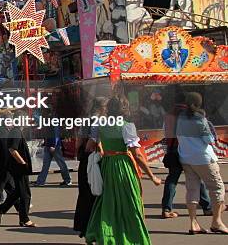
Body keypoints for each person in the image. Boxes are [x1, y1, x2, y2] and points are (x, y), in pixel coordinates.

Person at [85, 96, 161, 245]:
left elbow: (90, 145)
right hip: (123, 166)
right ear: (124, 109)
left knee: (107, 200)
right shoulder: (127, 126)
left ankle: (104, 232)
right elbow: (137, 155)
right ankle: (131, 235)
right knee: (130, 201)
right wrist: (152, 176)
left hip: (107, 165)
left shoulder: (100, 124)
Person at [176, 92, 227, 235]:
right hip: (204, 159)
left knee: (192, 190)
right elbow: (208, 140)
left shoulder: (180, 118)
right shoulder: (200, 119)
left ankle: (193, 223)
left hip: (186, 158)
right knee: (217, 188)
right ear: (199, 104)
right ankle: (216, 222)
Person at [161, 92, 212, 219]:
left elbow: (165, 131)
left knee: (172, 180)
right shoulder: (189, 114)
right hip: (187, 150)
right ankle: (207, 207)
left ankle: (166, 209)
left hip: (172, 149)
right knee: (197, 178)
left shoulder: (168, 114)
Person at [0, 108, 35, 228]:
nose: (27, 121)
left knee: (18, 191)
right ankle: (24, 219)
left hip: (16, 167)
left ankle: (1, 209)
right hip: (19, 168)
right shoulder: (16, 132)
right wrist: (23, 163)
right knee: (25, 194)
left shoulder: (15, 131)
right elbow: (12, 149)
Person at [73, 97, 107, 237]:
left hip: (84, 161)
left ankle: (83, 225)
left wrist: (80, 153)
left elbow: (79, 141)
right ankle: (93, 227)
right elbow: (93, 141)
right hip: (93, 159)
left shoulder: (86, 119)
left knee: (84, 193)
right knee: (95, 192)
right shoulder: (98, 120)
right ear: (102, 107)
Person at [34, 117, 71, 187]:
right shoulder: (48, 123)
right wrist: (45, 142)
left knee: (61, 164)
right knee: (46, 165)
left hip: (54, 147)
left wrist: (53, 145)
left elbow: (56, 135)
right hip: (49, 146)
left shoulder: (53, 121)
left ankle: (67, 180)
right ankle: (40, 181)